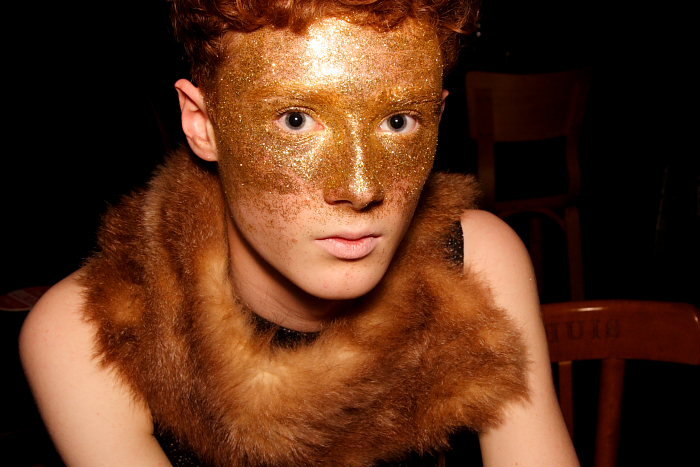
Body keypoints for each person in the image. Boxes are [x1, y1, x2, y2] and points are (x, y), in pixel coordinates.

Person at [20, 0, 579, 465]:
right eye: (296, 120)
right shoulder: (90, 331)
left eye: (398, 121)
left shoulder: (477, 262)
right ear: (202, 123)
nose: (361, 187)